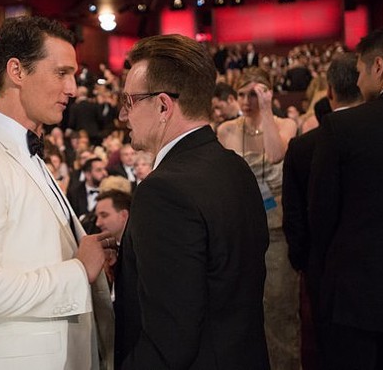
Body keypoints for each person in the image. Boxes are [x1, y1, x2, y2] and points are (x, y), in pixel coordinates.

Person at [0, 16, 114, 370]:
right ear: (16, 71)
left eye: (73, 76)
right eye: (61, 73)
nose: (73, 89)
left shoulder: (26, 150)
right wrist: (79, 272)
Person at [115, 34, 270, 369]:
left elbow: (169, 338)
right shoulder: (235, 166)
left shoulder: (163, 192)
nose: (123, 116)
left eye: (129, 101)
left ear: (162, 106)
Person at [308, 25, 383, 369]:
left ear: (378, 67)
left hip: (356, 297)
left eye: (360, 70)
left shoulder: (342, 128)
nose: (359, 80)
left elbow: (321, 216)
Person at [281, 52, 362, 370]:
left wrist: (303, 261)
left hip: (322, 268)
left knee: (329, 352)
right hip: (380, 272)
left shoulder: (304, 146)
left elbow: (295, 215)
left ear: (329, 91)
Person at [217, 67, 300, 370]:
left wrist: (266, 110)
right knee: (241, 311)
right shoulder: (226, 130)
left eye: (254, 93)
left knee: (279, 312)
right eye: (241, 94)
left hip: (277, 230)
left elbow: (276, 155)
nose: (246, 100)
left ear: (267, 93)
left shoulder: (285, 124)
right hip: (240, 231)